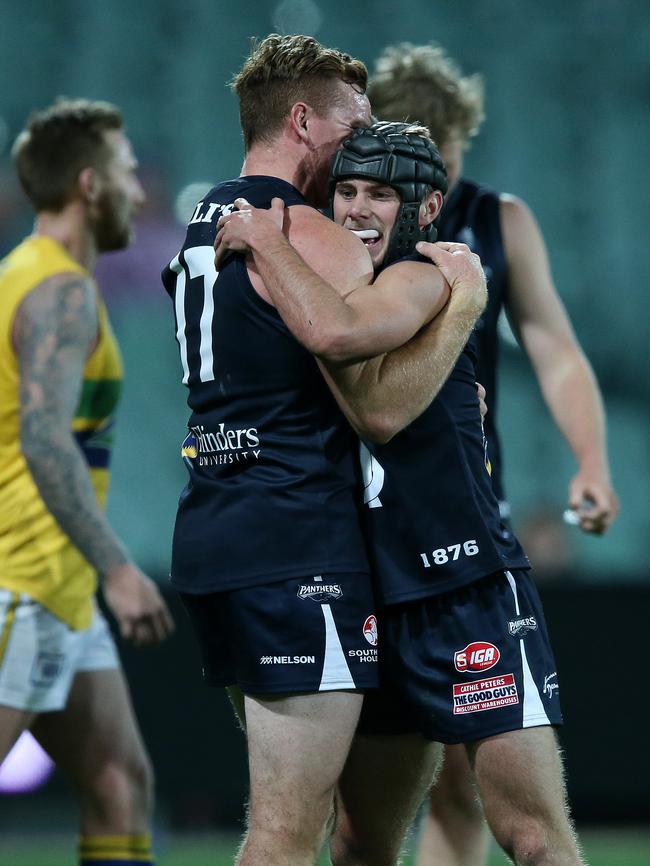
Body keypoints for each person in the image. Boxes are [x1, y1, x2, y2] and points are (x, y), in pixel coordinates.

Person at [216, 121, 586, 866]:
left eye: (380, 194)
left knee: (536, 839)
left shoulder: (427, 273)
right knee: (362, 846)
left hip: (467, 587)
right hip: (372, 600)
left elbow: (370, 395)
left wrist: (266, 237)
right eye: (345, 190)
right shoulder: (326, 289)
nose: (356, 210)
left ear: (422, 209)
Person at [162, 35, 486, 866]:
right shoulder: (310, 234)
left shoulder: (202, 226)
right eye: (355, 121)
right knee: (285, 832)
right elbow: (382, 407)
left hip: (219, 526)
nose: (367, 138)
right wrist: (456, 313)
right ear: (303, 121)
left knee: (347, 831)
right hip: (298, 539)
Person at [366, 42, 619, 866]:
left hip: (467, 530)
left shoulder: (498, 218)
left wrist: (592, 460)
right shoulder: (351, 223)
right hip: (365, 536)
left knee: (477, 795)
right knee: (381, 819)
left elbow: (555, 347)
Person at [0, 98, 174, 866]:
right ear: (88, 185)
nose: (140, 192)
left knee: (118, 782)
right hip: (24, 581)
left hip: (59, 590)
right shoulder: (60, 292)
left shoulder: (32, 276)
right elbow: (43, 437)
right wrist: (117, 567)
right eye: (127, 173)